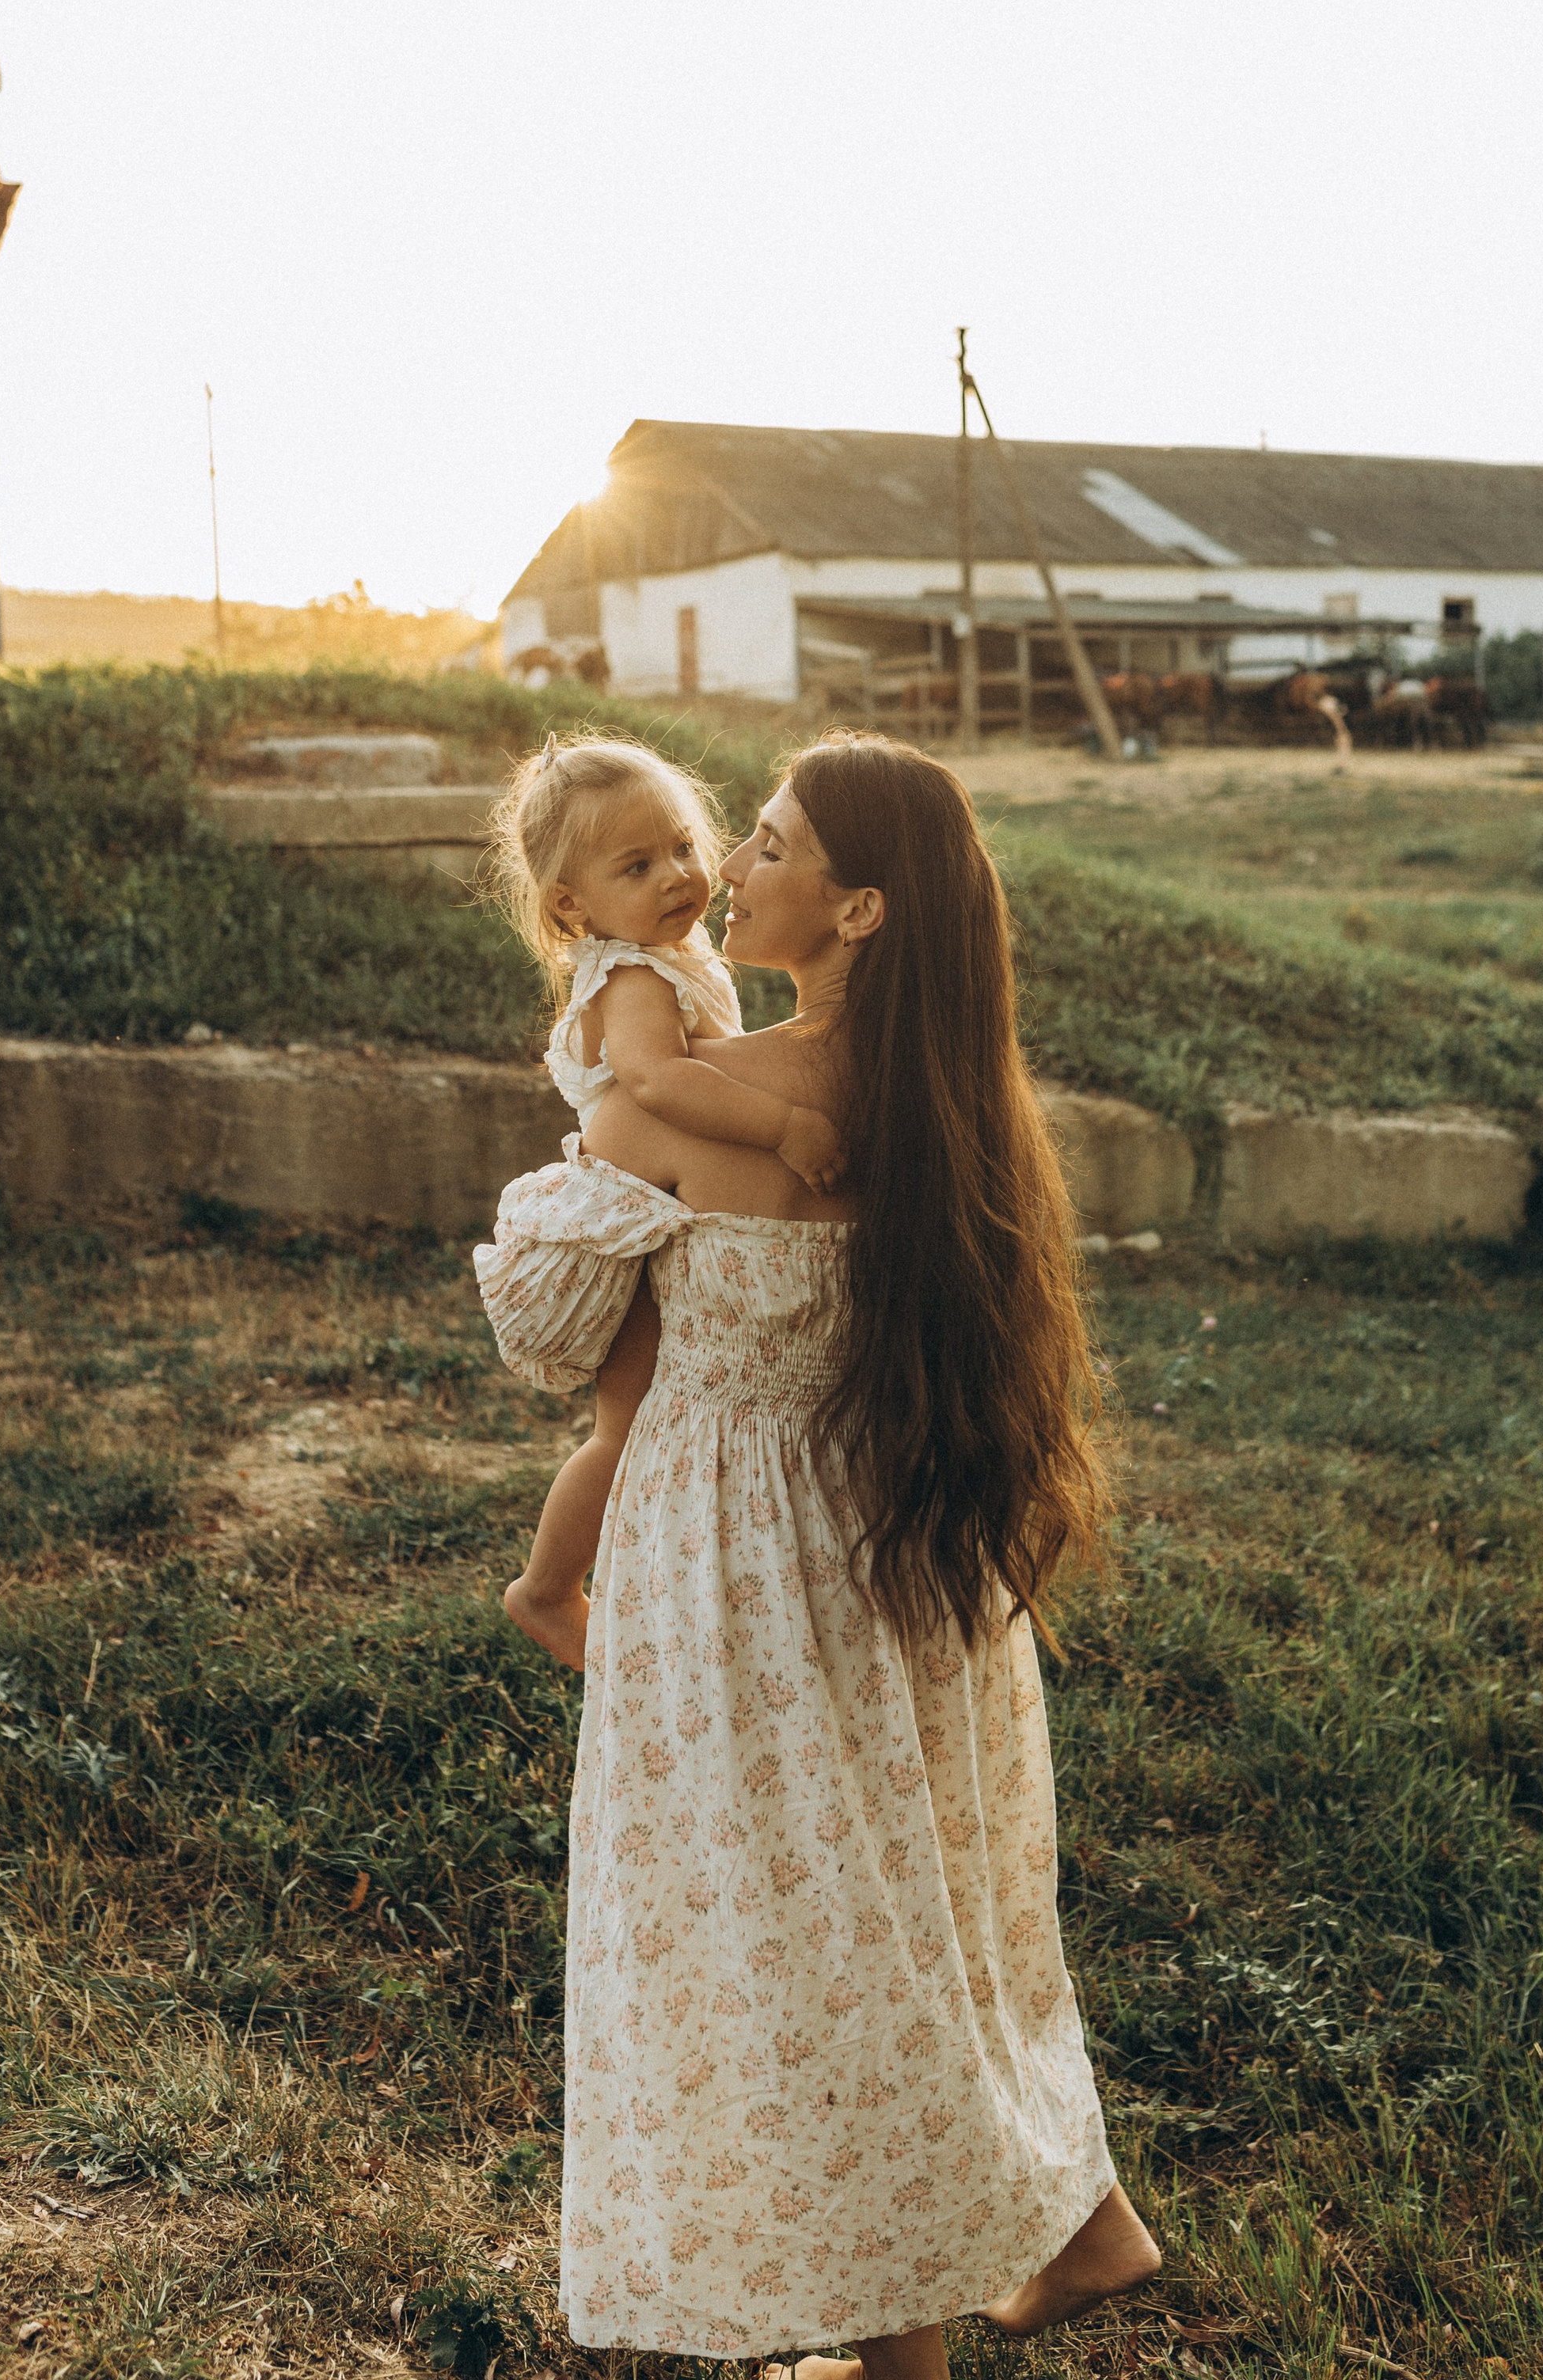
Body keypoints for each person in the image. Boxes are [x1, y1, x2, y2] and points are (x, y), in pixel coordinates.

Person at [473, 734, 1161, 2378]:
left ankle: (905, 2345)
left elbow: (546, 1321)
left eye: (763, 841)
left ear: (851, 912)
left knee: (798, 1952)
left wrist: (580, 1193)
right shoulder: (946, 1105)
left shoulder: (715, 1105)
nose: (732, 870)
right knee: (918, 1928)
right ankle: (1073, 2228)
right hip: (905, 1566)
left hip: (736, 1577)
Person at [485, 735, 846, 1668]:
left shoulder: (672, 955)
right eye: (637, 866)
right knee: (622, 1426)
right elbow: (654, 1082)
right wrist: (779, 1125)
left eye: (684, 847)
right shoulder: (633, 974)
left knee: (637, 1416)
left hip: (656, 1214)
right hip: (625, 1233)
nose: (682, 876)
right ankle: (547, 1590)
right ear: (573, 904)